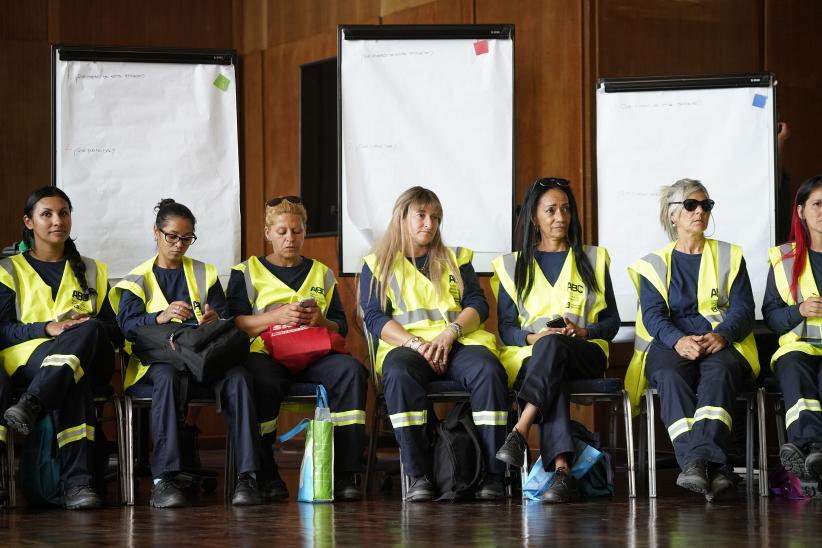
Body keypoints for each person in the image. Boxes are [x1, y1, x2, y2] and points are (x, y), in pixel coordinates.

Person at [110, 199, 263, 508]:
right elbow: (126, 327)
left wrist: (212, 319)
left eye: (187, 238)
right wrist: (159, 317)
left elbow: (223, 317)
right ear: (156, 232)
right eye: (172, 237)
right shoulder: (136, 280)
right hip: (158, 364)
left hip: (204, 359)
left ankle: (249, 477)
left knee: (238, 376)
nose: (179, 244)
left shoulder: (204, 273)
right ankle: (163, 480)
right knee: (166, 377)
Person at [359, 186, 509, 502]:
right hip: (408, 348)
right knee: (398, 374)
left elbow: (478, 305)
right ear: (401, 217)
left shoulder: (456, 258)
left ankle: (493, 476)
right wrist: (415, 343)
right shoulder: (377, 264)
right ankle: (419, 476)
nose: (430, 224)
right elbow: (374, 318)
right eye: (422, 215)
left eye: (436, 218)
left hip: (457, 342)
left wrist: (450, 333)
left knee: (489, 370)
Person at [625, 178, 759, 501]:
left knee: (721, 371)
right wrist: (678, 341)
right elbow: (653, 315)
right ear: (673, 215)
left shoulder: (730, 255)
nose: (700, 211)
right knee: (670, 375)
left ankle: (699, 466)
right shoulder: (653, 264)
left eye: (706, 205)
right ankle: (711, 468)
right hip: (671, 344)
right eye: (691, 205)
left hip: (719, 342)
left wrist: (724, 335)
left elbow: (744, 308)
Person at [227, 196, 366, 502]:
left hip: (313, 354)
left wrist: (322, 320)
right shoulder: (246, 272)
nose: (290, 238)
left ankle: (343, 474)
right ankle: (264, 472)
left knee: (351, 371)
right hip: (266, 355)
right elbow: (234, 324)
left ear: (305, 232)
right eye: (282, 232)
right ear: (268, 233)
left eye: (297, 231)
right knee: (259, 379)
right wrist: (274, 317)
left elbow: (340, 327)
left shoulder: (323, 273)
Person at [491, 177, 620, 503]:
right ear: (535, 218)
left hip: (586, 353)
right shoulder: (512, 266)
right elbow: (506, 328)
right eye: (550, 210)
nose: (560, 217)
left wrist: (583, 331)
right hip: (535, 358)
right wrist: (535, 336)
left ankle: (521, 429)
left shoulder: (593, 259)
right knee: (551, 365)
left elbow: (612, 323)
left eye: (565, 209)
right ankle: (562, 472)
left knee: (554, 352)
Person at [0, 186, 121, 510]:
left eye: (64, 213)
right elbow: (3, 330)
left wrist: (81, 326)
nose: (57, 221)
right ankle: (78, 486)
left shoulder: (94, 269)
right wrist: (46, 328)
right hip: (30, 358)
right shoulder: (8, 270)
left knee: (92, 328)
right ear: (29, 222)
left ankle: (34, 403)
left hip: (92, 357)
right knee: (72, 378)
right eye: (47, 214)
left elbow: (114, 329)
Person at [762, 174, 822, 481]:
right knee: (796, 373)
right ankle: (812, 446)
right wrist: (799, 310)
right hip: (797, 349)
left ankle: (811, 454)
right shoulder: (783, 258)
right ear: (800, 211)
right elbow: (771, 316)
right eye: (817, 204)